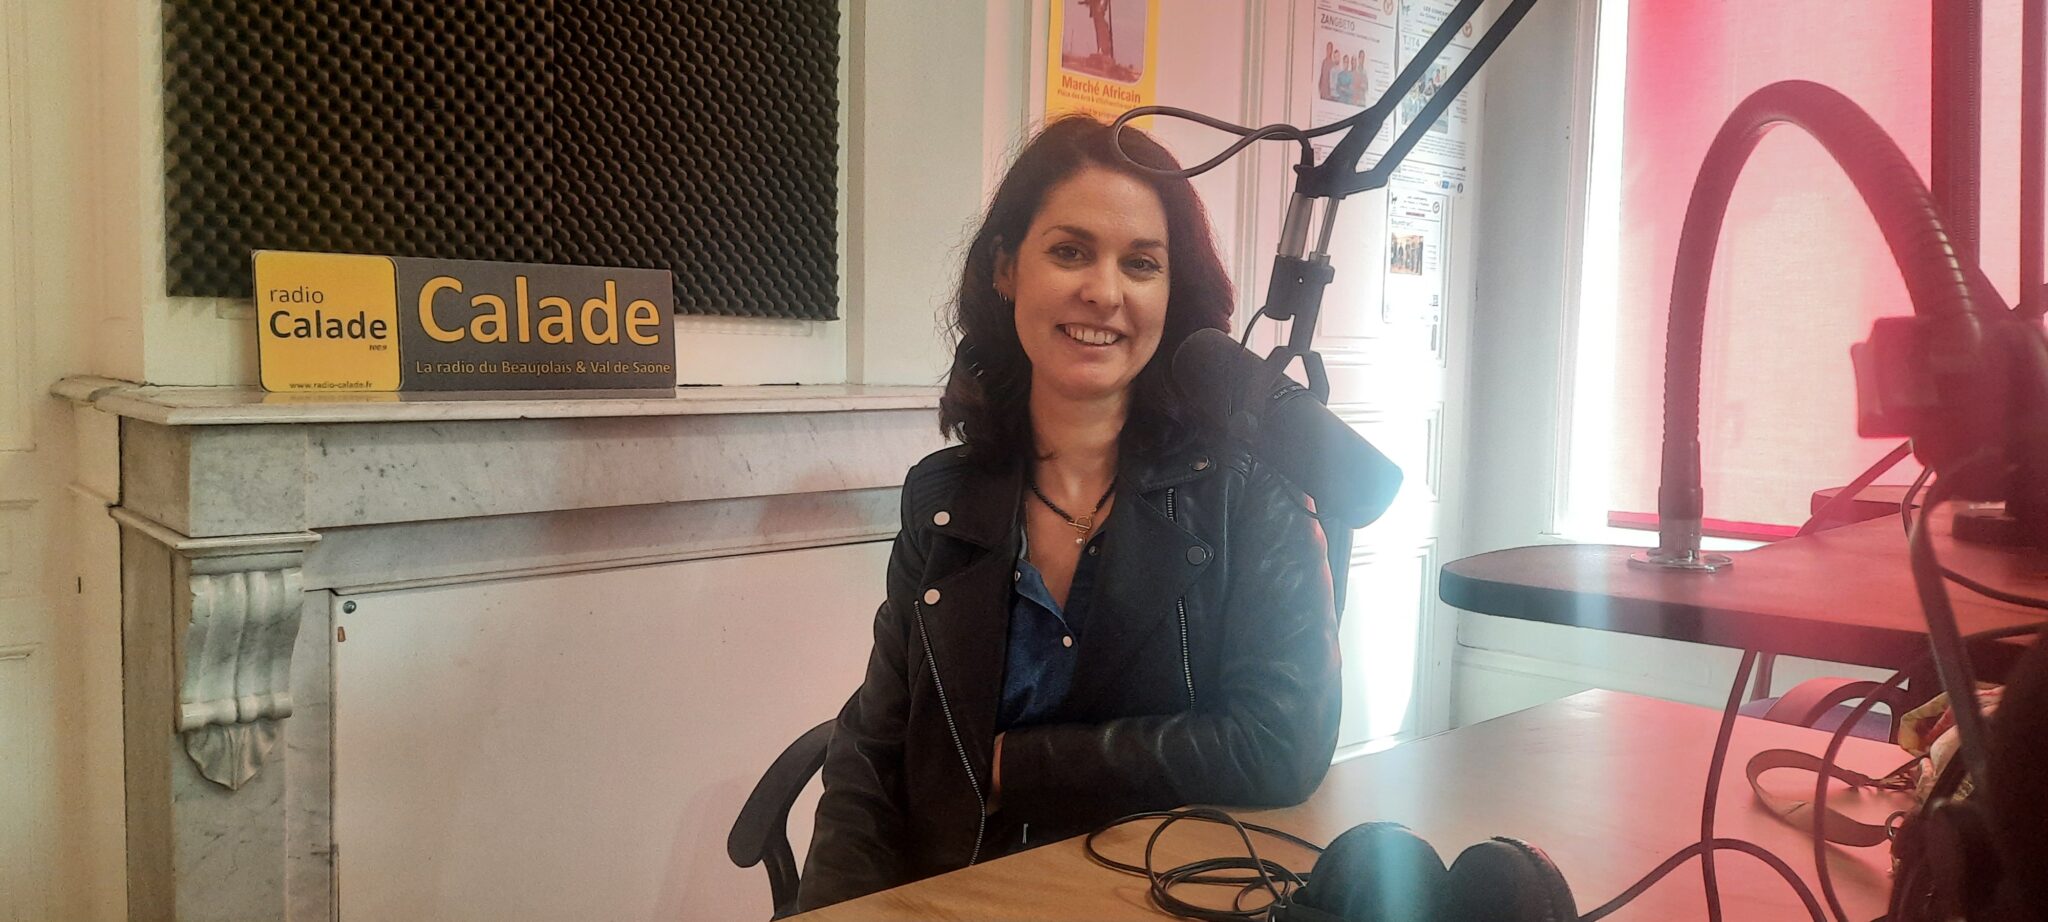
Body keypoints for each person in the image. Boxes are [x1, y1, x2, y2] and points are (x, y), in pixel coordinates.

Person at [796, 116, 1342, 911]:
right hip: (962, 897)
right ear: (1005, 267)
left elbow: (1280, 743)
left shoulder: (1247, 489)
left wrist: (1021, 766)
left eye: (1141, 263)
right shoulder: (943, 500)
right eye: (1070, 251)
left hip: (1158, 898)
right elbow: (875, 752)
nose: (1104, 292)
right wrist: (831, 908)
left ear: (1173, 293)